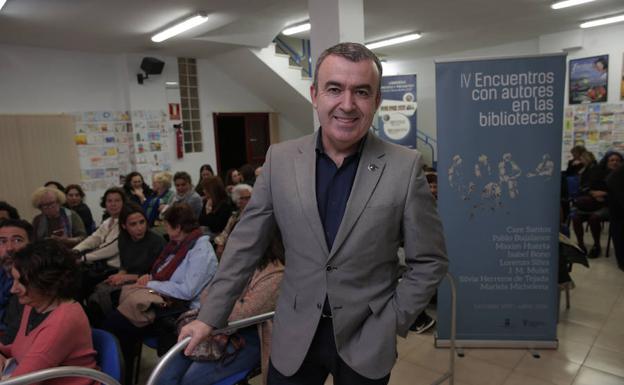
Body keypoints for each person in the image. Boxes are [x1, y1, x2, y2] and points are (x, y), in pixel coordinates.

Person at [180, 42, 448, 385]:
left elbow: (430, 260)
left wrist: (393, 318)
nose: (347, 105)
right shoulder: (279, 161)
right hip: (294, 333)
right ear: (315, 94)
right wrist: (209, 316)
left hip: (366, 336)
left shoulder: (404, 167)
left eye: (362, 92)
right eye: (334, 89)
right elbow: (245, 245)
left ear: (377, 100)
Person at [103, 203, 218, 384]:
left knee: (118, 322)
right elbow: (166, 273)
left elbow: (187, 291)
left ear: (178, 228)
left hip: (185, 308)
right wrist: (150, 279)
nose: (165, 229)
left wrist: (152, 283)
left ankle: (120, 374)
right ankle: (122, 371)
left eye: (168, 225)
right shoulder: (181, 245)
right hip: (169, 299)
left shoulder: (201, 251)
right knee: (115, 313)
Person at [158, 231, 284, 385]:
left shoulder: (276, 274)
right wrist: (230, 300)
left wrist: (220, 300)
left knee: (189, 381)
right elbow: (206, 294)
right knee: (165, 375)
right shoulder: (238, 262)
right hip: (215, 327)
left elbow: (241, 316)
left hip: (245, 339)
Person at [0, 240, 97, 384]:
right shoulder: (35, 304)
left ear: (47, 283)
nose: (13, 289)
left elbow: (19, 382)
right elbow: (21, 351)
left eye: (21, 282)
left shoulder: (62, 322)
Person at [87, 203, 166, 325]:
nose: (139, 228)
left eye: (142, 222)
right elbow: (125, 266)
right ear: (124, 226)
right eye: (133, 224)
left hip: (150, 285)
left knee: (107, 300)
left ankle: (111, 332)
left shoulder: (157, 242)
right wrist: (119, 276)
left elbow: (158, 275)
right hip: (131, 279)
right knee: (95, 294)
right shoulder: (123, 239)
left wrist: (125, 277)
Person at [572, 151, 623, 258]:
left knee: (594, 218)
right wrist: (593, 193)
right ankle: (580, 246)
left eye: (618, 161)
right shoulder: (597, 172)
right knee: (576, 218)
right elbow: (585, 188)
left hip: (609, 206)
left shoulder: (621, 176)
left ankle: (596, 246)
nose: (615, 163)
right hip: (592, 202)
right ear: (606, 162)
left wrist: (605, 194)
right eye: (612, 160)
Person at [0, 220, 33, 339]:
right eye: (2, 241)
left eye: (17, 240)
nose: (9, 248)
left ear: (31, 245)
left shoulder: (38, 284)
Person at [214, 184, 253, 258]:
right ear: (237, 200)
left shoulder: (256, 214)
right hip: (232, 246)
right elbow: (225, 232)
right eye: (242, 198)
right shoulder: (235, 216)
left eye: (248, 197)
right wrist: (220, 243)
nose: (247, 201)